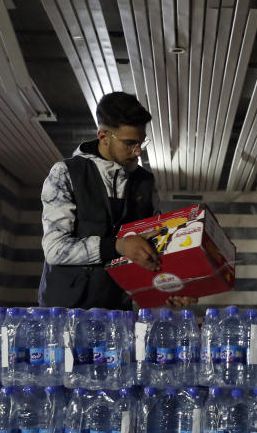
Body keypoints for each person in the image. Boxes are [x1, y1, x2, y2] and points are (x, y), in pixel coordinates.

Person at [38, 91, 193, 309]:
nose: (138, 152)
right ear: (103, 136)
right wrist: (119, 246)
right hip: (64, 312)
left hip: (117, 313)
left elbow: (154, 247)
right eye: (130, 143)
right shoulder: (65, 173)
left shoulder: (145, 182)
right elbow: (55, 249)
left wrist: (170, 288)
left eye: (141, 142)